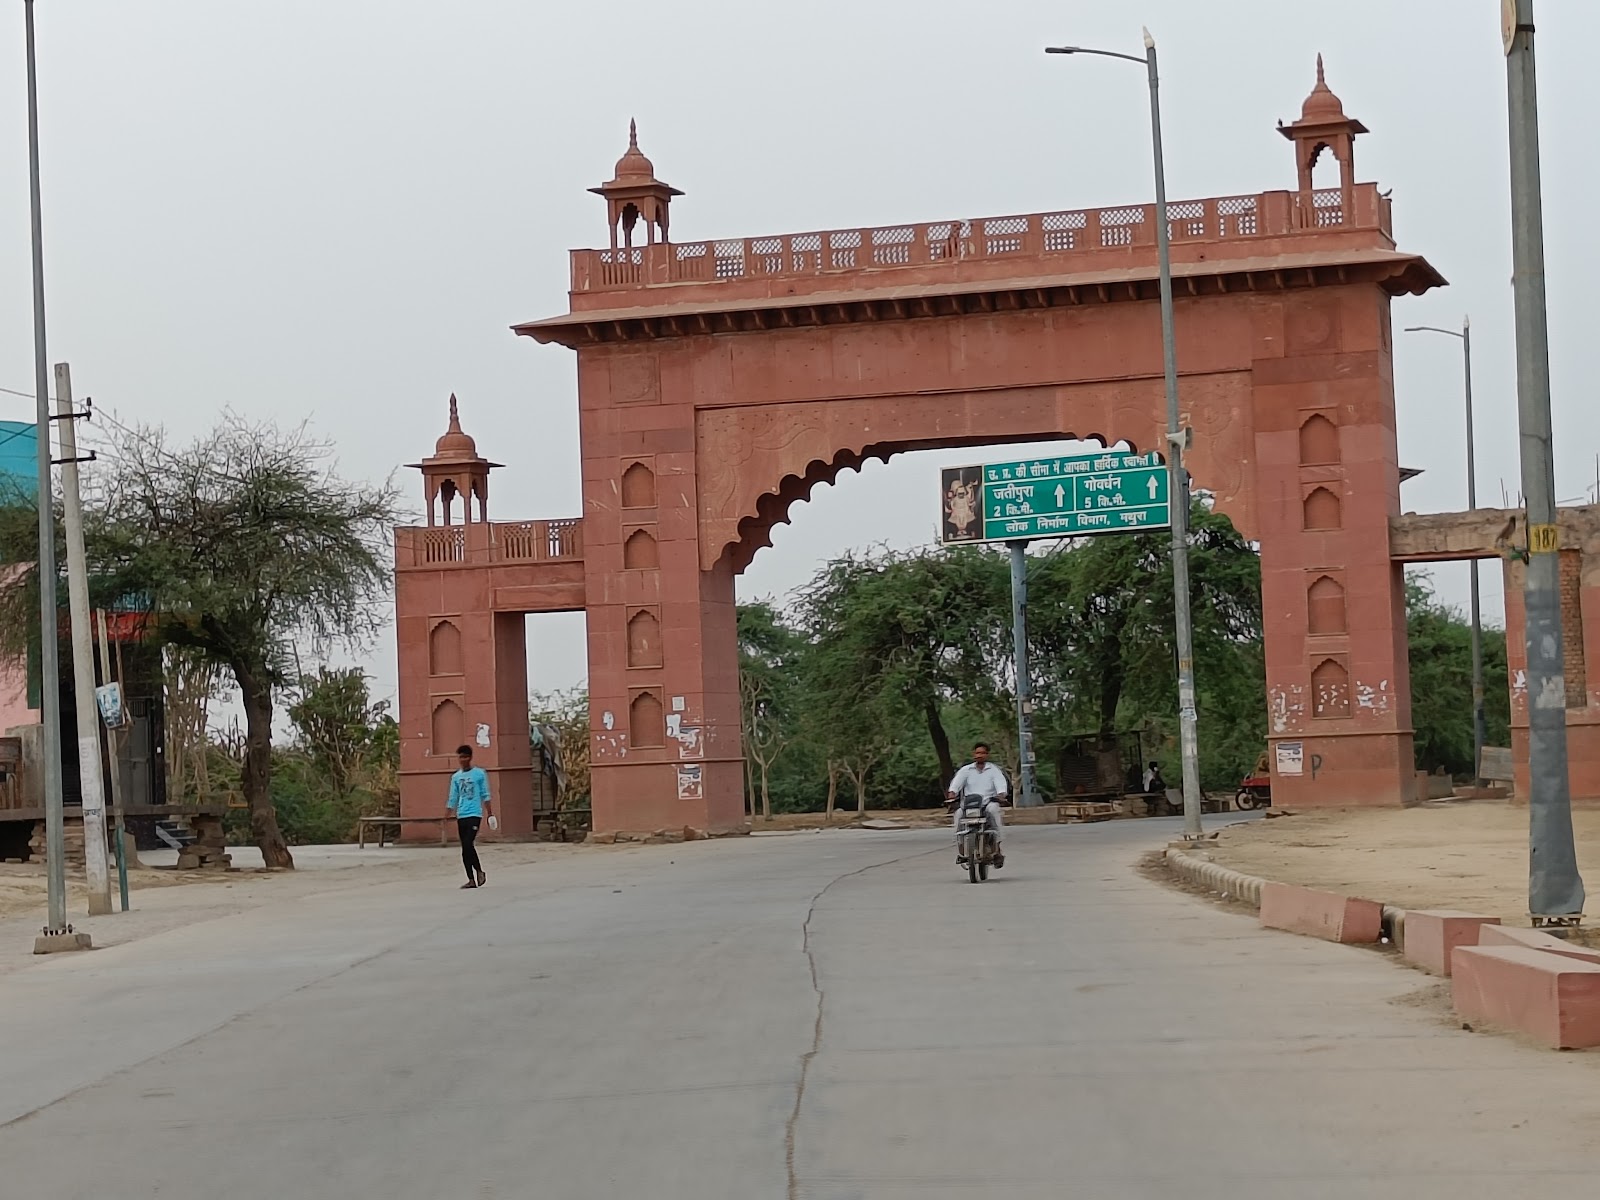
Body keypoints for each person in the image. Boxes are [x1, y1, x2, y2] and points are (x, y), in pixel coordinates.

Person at [945, 742, 1007, 868]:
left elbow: (1001, 785)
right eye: (977, 753)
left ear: (987, 755)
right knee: (958, 815)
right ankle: (961, 849)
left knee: (994, 812)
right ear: (973, 754)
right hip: (969, 805)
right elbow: (955, 786)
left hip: (988, 803)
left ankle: (997, 849)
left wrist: (1001, 795)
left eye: (983, 753)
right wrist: (952, 795)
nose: (980, 755)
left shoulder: (994, 770)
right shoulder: (965, 770)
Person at [446, 744, 493, 889]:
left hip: (474, 814)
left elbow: (485, 794)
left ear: (470, 757)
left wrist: (490, 813)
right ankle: (471, 879)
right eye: (460, 757)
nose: (463, 760)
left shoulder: (479, 774)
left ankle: (479, 871)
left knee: (468, 843)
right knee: (465, 848)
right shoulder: (456, 777)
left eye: (465, 757)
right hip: (462, 814)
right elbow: (453, 796)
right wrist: (447, 814)